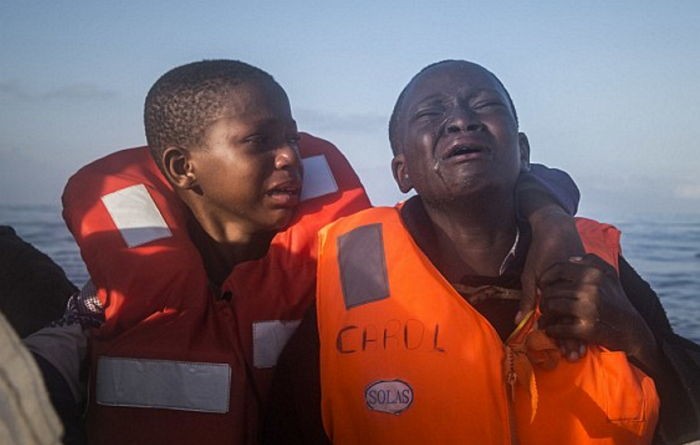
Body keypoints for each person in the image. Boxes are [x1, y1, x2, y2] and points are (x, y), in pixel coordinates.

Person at [31, 60, 587, 444]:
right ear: (183, 168)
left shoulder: (345, 265)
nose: (289, 159)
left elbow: (482, 196)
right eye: (259, 142)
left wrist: (551, 217)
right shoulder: (106, 312)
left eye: (293, 140)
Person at [264, 60, 700, 444]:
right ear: (403, 172)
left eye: (484, 106)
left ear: (523, 151)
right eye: (431, 113)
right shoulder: (347, 276)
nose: (460, 121)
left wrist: (635, 338)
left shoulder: (596, 261)